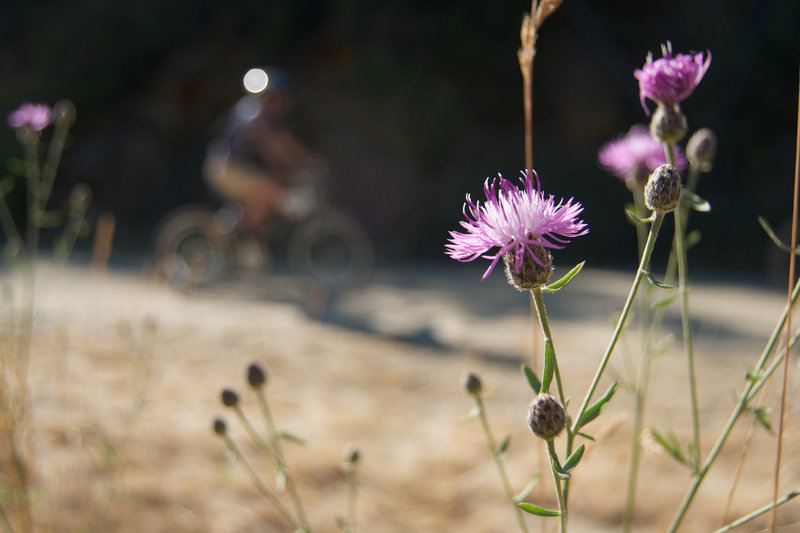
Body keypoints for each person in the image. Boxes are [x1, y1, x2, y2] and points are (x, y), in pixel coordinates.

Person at [203, 67, 314, 238]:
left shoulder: (261, 114)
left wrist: (306, 160)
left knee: (265, 203)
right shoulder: (254, 113)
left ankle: (247, 240)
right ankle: (238, 234)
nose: (286, 102)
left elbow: (285, 142)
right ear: (272, 96)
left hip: (233, 166)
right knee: (269, 190)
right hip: (224, 169)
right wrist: (298, 166)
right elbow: (271, 146)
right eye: (282, 96)